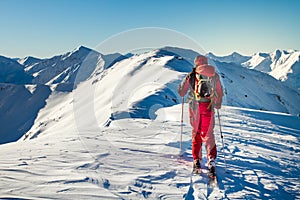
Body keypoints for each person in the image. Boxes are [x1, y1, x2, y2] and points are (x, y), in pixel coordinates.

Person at [178, 55, 223, 176]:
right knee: (208, 134)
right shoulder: (214, 75)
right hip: (208, 107)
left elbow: (182, 91)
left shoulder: (192, 75)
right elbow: (219, 91)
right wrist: (217, 104)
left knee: (196, 133)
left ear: (196, 63)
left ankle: (197, 159)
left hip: (194, 108)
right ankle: (211, 159)